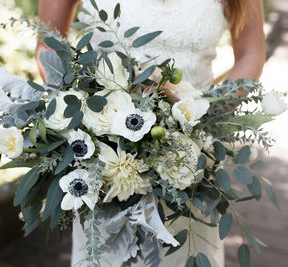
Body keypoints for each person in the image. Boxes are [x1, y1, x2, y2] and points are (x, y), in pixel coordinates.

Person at [36, 0, 265, 266]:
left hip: (191, 160)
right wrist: (83, 119)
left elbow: (251, 53)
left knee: (186, 252)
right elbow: (49, 46)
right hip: (106, 162)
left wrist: (203, 117)